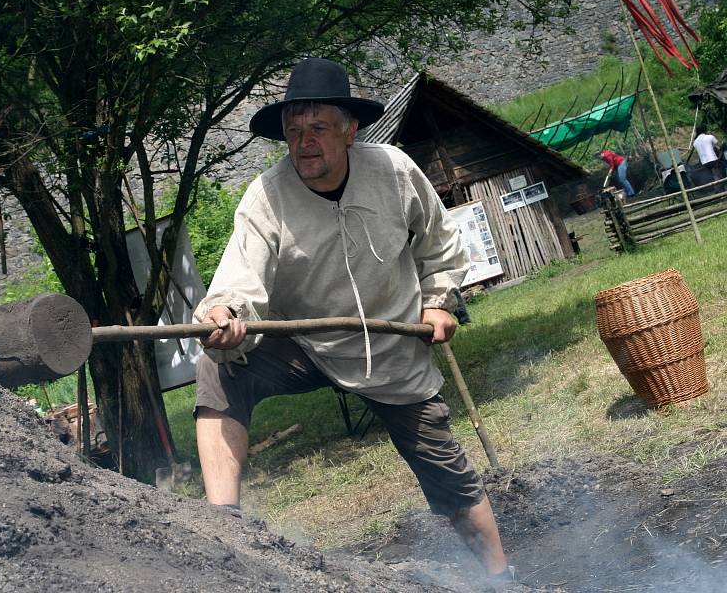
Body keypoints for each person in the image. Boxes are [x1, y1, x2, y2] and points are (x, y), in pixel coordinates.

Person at [191, 58, 509, 581]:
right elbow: (238, 275)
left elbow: (442, 246)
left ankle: (502, 578)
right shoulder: (265, 197)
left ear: (350, 130)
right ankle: (227, 529)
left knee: (446, 470)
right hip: (305, 346)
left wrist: (438, 302)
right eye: (293, 132)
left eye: (318, 128)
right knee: (220, 369)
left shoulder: (394, 172)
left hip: (392, 349)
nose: (304, 142)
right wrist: (225, 313)